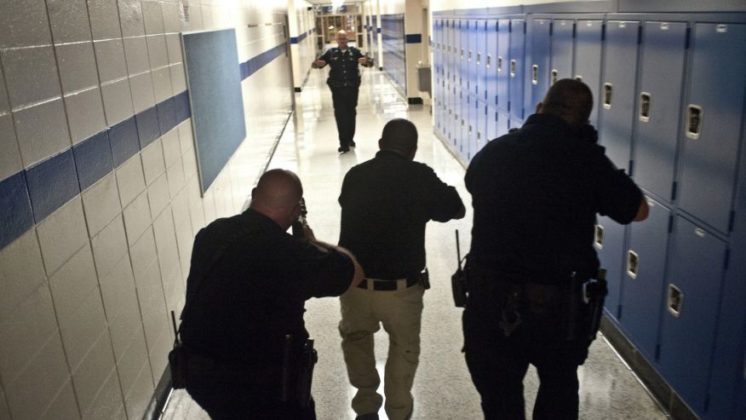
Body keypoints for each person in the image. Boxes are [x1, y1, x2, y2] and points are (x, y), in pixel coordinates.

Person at [462, 79, 649, 420]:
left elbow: (472, 183)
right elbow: (638, 210)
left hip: (490, 301)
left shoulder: (496, 150)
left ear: (540, 108)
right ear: (583, 122)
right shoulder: (586, 160)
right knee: (559, 389)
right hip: (557, 309)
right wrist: (589, 154)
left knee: (500, 399)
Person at [179, 169, 364, 420]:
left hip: (202, 374)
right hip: (263, 388)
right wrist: (310, 240)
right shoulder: (290, 254)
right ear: (296, 211)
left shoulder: (211, 234)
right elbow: (354, 273)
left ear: (255, 194)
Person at [337, 118, 466, 420]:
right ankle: (398, 410)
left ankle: (367, 406)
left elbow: (348, 204)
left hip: (355, 285)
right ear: (413, 150)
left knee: (356, 342)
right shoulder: (419, 176)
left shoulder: (356, 175)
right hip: (401, 290)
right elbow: (456, 208)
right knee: (403, 349)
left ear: (380, 145)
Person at [312, 30, 374, 153]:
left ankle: (350, 138)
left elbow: (370, 63)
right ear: (336, 40)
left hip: (352, 87)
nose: (342, 40)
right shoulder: (331, 53)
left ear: (347, 39)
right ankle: (343, 143)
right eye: (339, 38)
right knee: (340, 114)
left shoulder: (355, 52)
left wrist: (366, 61)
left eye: (344, 38)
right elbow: (317, 64)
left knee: (351, 113)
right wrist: (317, 63)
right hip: (337, 88)